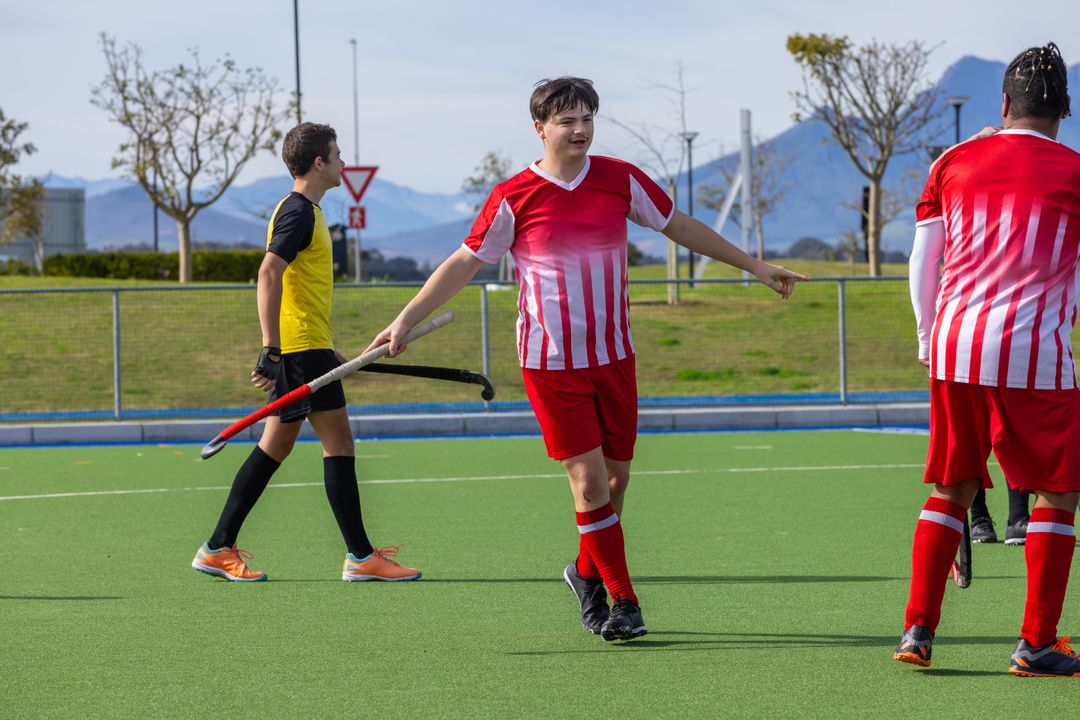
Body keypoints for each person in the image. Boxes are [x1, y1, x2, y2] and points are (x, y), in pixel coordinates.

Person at [364, 77, 807, 640]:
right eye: (567, 120)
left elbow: (683, 227)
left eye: (587, 118)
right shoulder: (513, 196)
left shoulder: (621, 179)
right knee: (590, 486)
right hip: (551, 364)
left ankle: (582, 572)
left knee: (616, 484)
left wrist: (757, 267)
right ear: (540, 128)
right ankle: (623, 601)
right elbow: (464, 261)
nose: (579, 130)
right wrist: (404, 319)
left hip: (615, 357)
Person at [896, 42, 1080, 676]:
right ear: (1065, 110)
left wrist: (928, 334)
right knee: (1058, 492)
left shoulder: (953, 160)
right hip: (1037, 350)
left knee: (952, 483)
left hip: (956, 342)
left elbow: (924, 259)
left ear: (1004, 105)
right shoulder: (1076, 171)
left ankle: (917, 631)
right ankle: (1036, 643)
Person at [192, 122, 420, 583]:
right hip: (298, 351)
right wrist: (272, 349)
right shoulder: (298, 212)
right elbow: (268, 274)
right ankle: (359, 556)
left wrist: (326, 350)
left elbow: (297, 289)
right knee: (338, 445)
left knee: (274, 448)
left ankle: (218, 547)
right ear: (319, 163)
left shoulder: (304, 211)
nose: (342, 162)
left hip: (308, 348)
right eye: (337, 155)